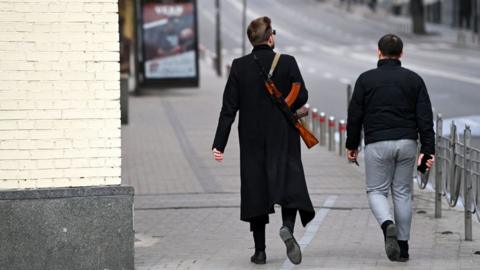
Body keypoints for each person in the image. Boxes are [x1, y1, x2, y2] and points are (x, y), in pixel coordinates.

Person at [212, 16, 315, 265]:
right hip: (283, 135)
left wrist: (219, 143)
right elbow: (302, 96)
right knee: (289, 181)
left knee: (255, 189)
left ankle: (260, 252)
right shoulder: (287, 62)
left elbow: (229, 108)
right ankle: (287, 228)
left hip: (251, 138)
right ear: (270, 37)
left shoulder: (239, 66)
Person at [346, 34, 435, 262]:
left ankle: (387, 225)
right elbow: (425, 118)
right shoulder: (414, 80)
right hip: (407, 143)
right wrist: (428, 149)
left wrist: (352, 145)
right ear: (401, 54)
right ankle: (403, 248)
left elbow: (355, 115)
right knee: (403, 193)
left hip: (377, 143)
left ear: (378, 52)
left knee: (377, 191)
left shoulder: (365, 80)